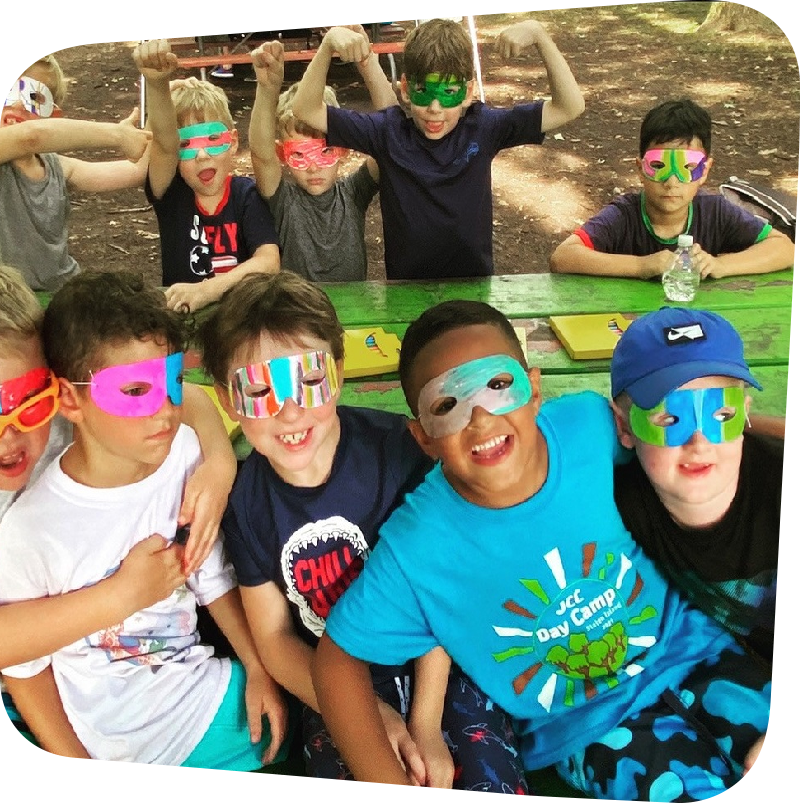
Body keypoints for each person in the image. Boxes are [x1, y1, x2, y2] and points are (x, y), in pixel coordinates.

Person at [311, 299, 770, 799]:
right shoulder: (415, 548)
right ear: (423, 437)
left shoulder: (589, 426)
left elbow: (675, 423)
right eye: (448, 405)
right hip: (589, 729)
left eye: (498, 384)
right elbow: (335, 662)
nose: (481, 419)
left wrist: (757, 423)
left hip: (699, 651)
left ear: (533, 388)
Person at [199, 272, 529, 790]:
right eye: (260, 390)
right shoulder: (245, 503)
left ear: (338, 372)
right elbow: (276, 637)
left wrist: (423, 721)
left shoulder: (399, 452)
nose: (290, 410)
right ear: (227, 397)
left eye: (308, 380)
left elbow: (440, 594)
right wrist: (369, 715)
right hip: (329, 685)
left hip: (440, 664)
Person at [0, 271, 290, 768]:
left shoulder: (78, 434)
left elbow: (183, 397)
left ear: (55, 391)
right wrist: (125, 594)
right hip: (73, 698)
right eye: (133, 393)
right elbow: (19, 659)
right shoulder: (31, 526)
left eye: (28, 402)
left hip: (177, 673)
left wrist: (217, 466)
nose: (9, 435)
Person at [291, 18, 585, 280]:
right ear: (405, 89)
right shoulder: (387, 132)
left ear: (468, 92)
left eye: (448, 94)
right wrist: (328, 46)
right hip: (406, 288)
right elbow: (306, 109)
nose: (434, 109)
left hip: (474, 284)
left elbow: (569, 106)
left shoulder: (484, 127)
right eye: (423, 92)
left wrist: (540, 35)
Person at [609, 306, 780, 670]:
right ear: (623, 428)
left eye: (722, 416)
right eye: (670, 419)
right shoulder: (620, 499)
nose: (699, 442)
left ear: (745, 415)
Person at [550, 97, 795, 278]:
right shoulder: (624, 215)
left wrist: (721, 266)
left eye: (687, 167)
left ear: (705, 171)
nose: (672, 182)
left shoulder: (715, 211)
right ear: (640, 169)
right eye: (659, 165)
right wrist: (642, 266)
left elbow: (784, 248)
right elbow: (563, 256)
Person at [133, 39, 280, 314]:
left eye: (213, 139)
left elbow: (268, 261)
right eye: (187, 145)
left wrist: (207, 290)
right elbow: (164, 142)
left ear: (233, 142)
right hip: (183, 322)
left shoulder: (245, 194)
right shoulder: (171, 192)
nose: (202, 155)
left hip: (241, 322)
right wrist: (157, 84)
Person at [248, 28, 397, 282]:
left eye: (325, 151)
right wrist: (267, 88)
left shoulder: (353, 193)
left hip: (354, 314)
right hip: (298, 316)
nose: (313, 167)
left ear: (343, 149)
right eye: (300, 154)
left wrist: (367, 61)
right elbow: (261, 155)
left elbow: (392, 136)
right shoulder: (282, 200)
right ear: (282, 154)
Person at [1, 54, 152, 292]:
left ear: (53, 116)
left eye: (33, 97)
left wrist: (159, 95)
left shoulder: (57, 166)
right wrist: (117, 136)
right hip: (11, 308)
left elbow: (139, 169)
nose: (17, 105)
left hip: (62, 295)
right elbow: (30, 136)